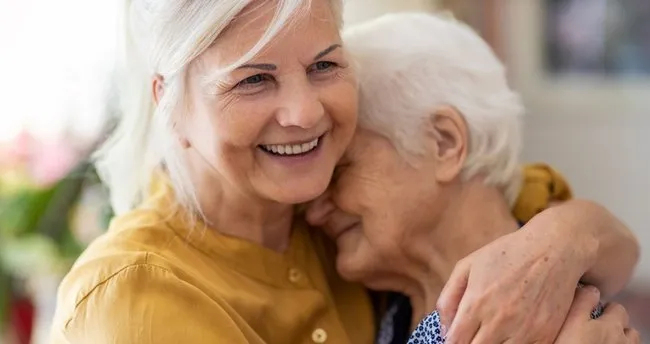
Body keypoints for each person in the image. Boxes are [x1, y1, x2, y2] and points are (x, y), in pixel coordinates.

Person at [50, 1, 636, 343]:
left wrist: (565, 240)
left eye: (325, 64)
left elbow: (561, 221)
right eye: (253, 79)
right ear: (169, 103)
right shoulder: (132, 299)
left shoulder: (323, 215)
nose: (304, 114)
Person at [306, 12, 641, 344]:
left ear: (445, 143)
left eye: (340, 169)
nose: (314, 211)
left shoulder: (550, 314)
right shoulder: (390, 309)